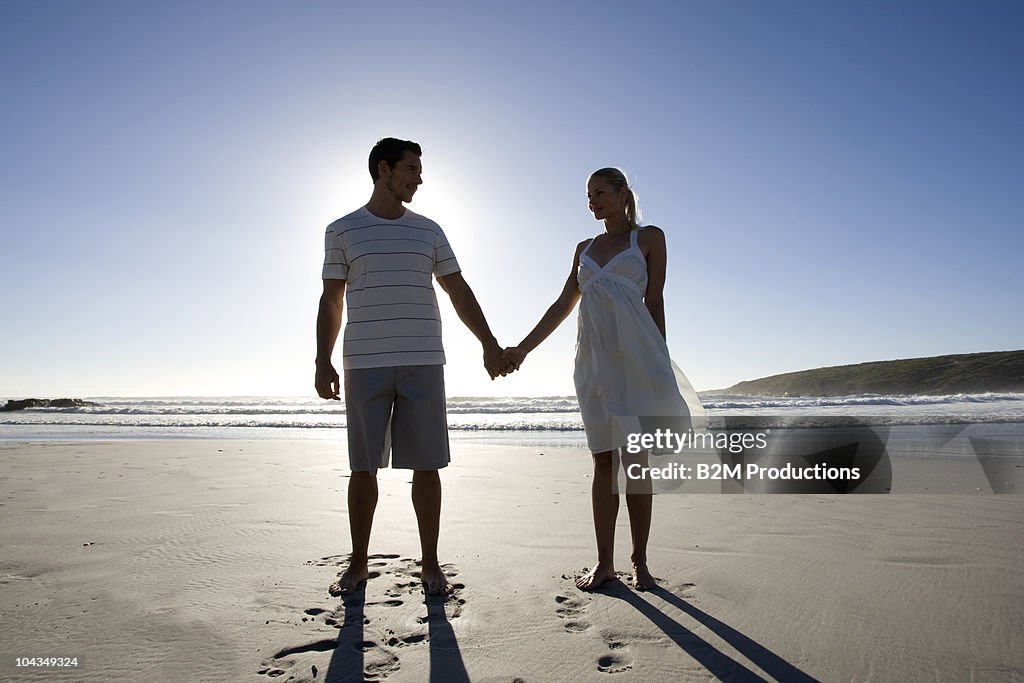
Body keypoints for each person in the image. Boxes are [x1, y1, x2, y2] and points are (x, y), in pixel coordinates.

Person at [315, 137, 513, 596]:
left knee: (428, 466)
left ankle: (430, 564)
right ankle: (359, 563)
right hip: (364, 361)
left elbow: (458, 290)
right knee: (362, 468)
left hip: (423, 359)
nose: (419, 178)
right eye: (411, 169)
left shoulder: (429, 229)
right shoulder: (341, 230)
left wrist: (488, 342)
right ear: (384, 169)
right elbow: (332, 299)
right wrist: (322, 359)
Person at [503, 167, 704, 591]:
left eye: (599, 192)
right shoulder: (583, 248)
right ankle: (604, 563)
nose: (591, 201)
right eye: (587, 194)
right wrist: (522, 348)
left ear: (621, 194)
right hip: (593, 365)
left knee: (636, 461)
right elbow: (562, 303)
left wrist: (661, 364)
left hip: (638, 362)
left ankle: (641, 563)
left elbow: (655, 301)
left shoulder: (649, 238)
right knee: (602, 462)